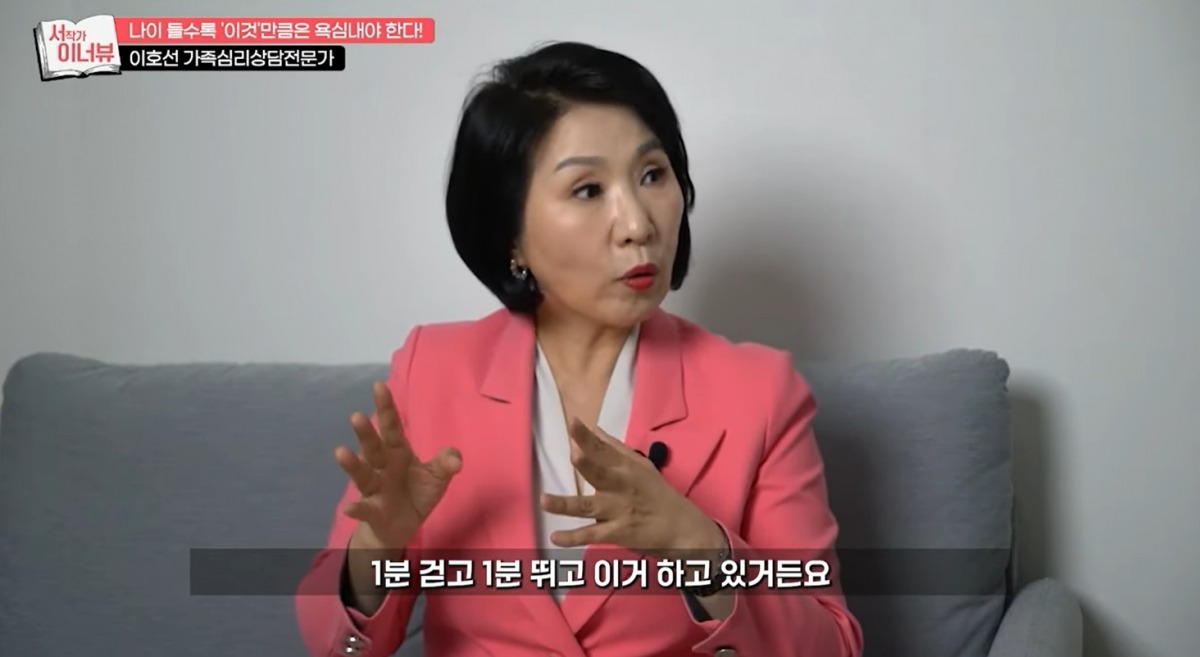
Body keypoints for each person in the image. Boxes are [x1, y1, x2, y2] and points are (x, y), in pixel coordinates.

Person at [295, 41, 864, 657]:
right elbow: (334, 646)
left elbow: (833, 644)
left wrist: (699, 548)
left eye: (653, 174)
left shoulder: (760, 391)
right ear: (511, 234)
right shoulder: (432, 370)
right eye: (588, 190)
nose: (638, 224)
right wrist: (377, 550)